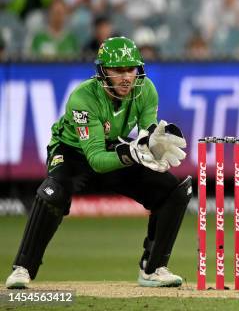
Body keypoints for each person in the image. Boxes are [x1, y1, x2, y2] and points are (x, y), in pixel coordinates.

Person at [5, 37, 190, 289]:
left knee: (173, 190)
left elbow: (147, 133)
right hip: (73, 152)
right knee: (53, 193)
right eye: (118, 70)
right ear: (103, 72)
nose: (127, 77)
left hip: (113, 146)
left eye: (131, 69)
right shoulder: (83, 98)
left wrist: (152, 145)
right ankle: (22, 269)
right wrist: (133, 153)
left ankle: (153, 268)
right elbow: (96, 160)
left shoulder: (146, 89)